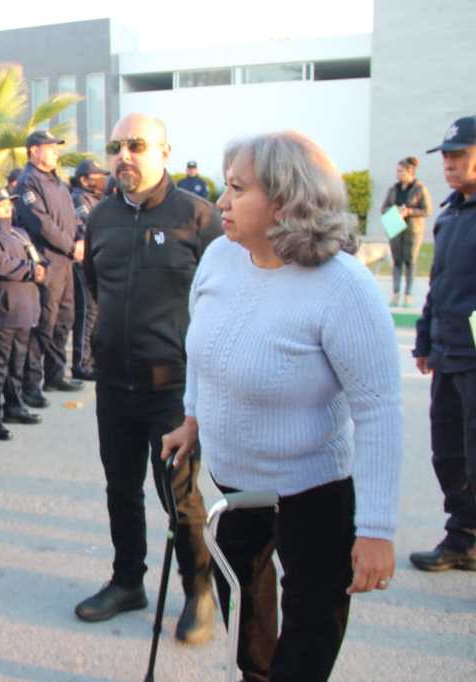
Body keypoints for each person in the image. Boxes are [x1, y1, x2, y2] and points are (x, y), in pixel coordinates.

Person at [162, 130, 403, 682]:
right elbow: (202, 347)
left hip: (313, 491)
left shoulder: (343, 287)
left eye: (237, 189)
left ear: (286, 200)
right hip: (234, 483)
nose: (220, 202)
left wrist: (377, 530)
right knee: (244, 612)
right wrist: (192, 419)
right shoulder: (221, 256)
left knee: (310, 630)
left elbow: (380, 409)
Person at [75, 114, 221, 645]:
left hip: (172, 389)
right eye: (116, 145)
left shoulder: (198, 218)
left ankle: (198, 590)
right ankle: (127, 581)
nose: (123, 155)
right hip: (114, 383)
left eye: (136, 145)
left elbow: (223, 299)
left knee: (179, 498)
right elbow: (96, 285)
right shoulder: (102, 218)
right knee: (120, 488)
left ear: (163, 150)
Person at [411, 115, 476, 572]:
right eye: (447, 156)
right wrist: (424, 341)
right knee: (449, 452)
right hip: (448, 354)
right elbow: (438, 284)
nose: (449, 163)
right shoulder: (451, 212)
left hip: (473, 355)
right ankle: (463, 538)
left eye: (460, 154)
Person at [15, 130, 83, 407]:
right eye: (50, 147)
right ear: (34, 151)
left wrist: (79, 239)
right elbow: (41, 223)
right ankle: (31, 385)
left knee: (64, 319)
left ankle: (56, 374)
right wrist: (70, 246)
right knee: (44, 322)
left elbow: (71, 217)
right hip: (48, 259)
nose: (56, 151)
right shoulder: (28, 182)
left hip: (65, 260)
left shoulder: (57, 181)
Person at [0, 186, 44, 441]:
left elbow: (38, 259)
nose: (7, 206)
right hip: (2, 310)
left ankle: (14, 406)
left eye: (8, 202)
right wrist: (30, 269)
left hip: (25, 307)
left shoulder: (19, 231)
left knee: (17, 364)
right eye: (1, 203)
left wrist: (37, 268)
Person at [69, 158, 109, 382]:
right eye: (97, 177)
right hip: (83, 262)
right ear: (84, 179)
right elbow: (87, 228)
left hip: (96, 260)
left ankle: (91, 358)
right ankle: (81, 363)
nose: (102, 181)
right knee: (87, 313)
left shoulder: (95, 199)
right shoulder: (79, 199)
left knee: (95, 313)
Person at [381, 156, 432, 307]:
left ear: (410, 172)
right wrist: (394, 210)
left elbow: (427, 210)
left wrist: (409, 211)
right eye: (397, 171)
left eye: (401, 171)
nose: (398, 174)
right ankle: (395, 292)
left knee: (410, 261)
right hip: (395, 226)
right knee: (397, 261)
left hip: (412, 229)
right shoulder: (393, 189)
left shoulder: (419, 189)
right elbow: (383, 208)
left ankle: (408, 294)